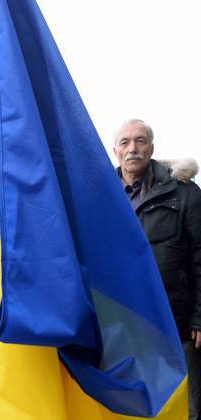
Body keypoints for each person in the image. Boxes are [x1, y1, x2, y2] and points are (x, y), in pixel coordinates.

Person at [113, 119, 201, 419]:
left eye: (140, 141)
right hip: (123, 324)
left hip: (176, 323)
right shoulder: (100, 196)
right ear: (115, 151)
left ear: (152, 148)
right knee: (133, 408)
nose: (132, 149)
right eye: (125, 142)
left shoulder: (184, 192)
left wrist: (200, 316)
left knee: (186, 408)